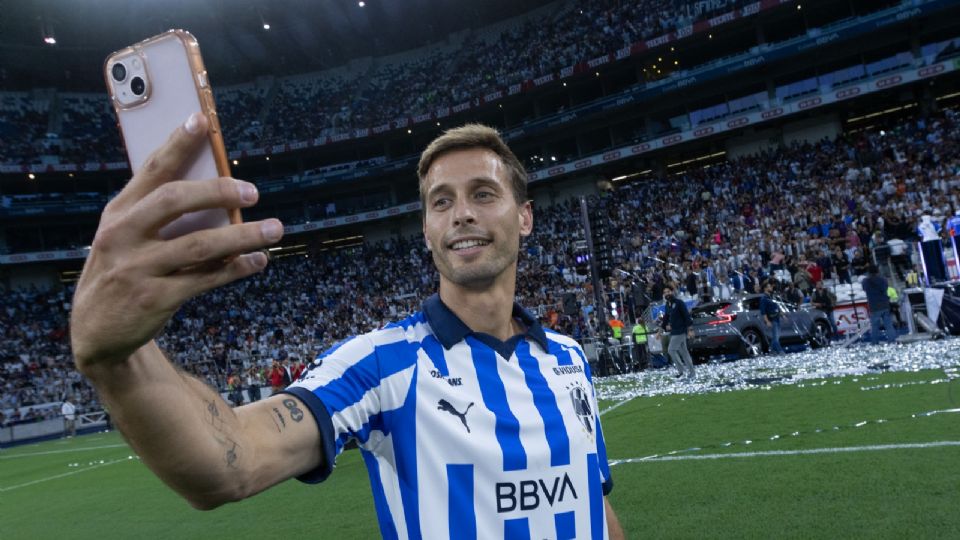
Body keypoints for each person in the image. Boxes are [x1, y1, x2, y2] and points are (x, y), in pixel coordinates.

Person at [69, 116, 624, 539]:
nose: (462, 214)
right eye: (441, 202)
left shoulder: (568, 359)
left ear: (523, 216)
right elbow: (228, 462)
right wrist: (118, 357)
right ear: (427, 229)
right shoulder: (382, 364)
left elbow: (593, 504)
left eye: (483, 193)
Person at [662, 284, 695, 379]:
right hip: (674, 331)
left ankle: (681, 371)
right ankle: (692, 373)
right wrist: (662, 328)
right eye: (665, 292)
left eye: (668, 291)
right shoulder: (667, 305)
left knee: (671, 350)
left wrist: (690, 329)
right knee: (684, 353)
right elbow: (666, 318)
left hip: (680, 331)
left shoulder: (679, 302)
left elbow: (686, 316)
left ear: (672, 292)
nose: (667, 294)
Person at [861, 264, 898, 345]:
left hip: (874, 306)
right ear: (877, 271)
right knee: (889, 325)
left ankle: (875, 343)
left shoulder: (865, 281)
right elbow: (886, 288)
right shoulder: (883, 280)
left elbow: (864, 289)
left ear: (868, 272)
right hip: (884, 304)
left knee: (875, 327)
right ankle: (892, 341)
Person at [760, 280, 785, 355]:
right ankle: (781, 352)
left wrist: (782, 314)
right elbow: (763, 311)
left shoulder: (771, 297)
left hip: (777, 318)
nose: (771, 287)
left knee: (776, 337)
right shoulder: (764, 298)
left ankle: (772, 352)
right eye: (769, 286)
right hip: (772, 319)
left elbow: (776, 307)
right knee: (776, 338)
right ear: (765, 288)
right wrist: (767, 321)